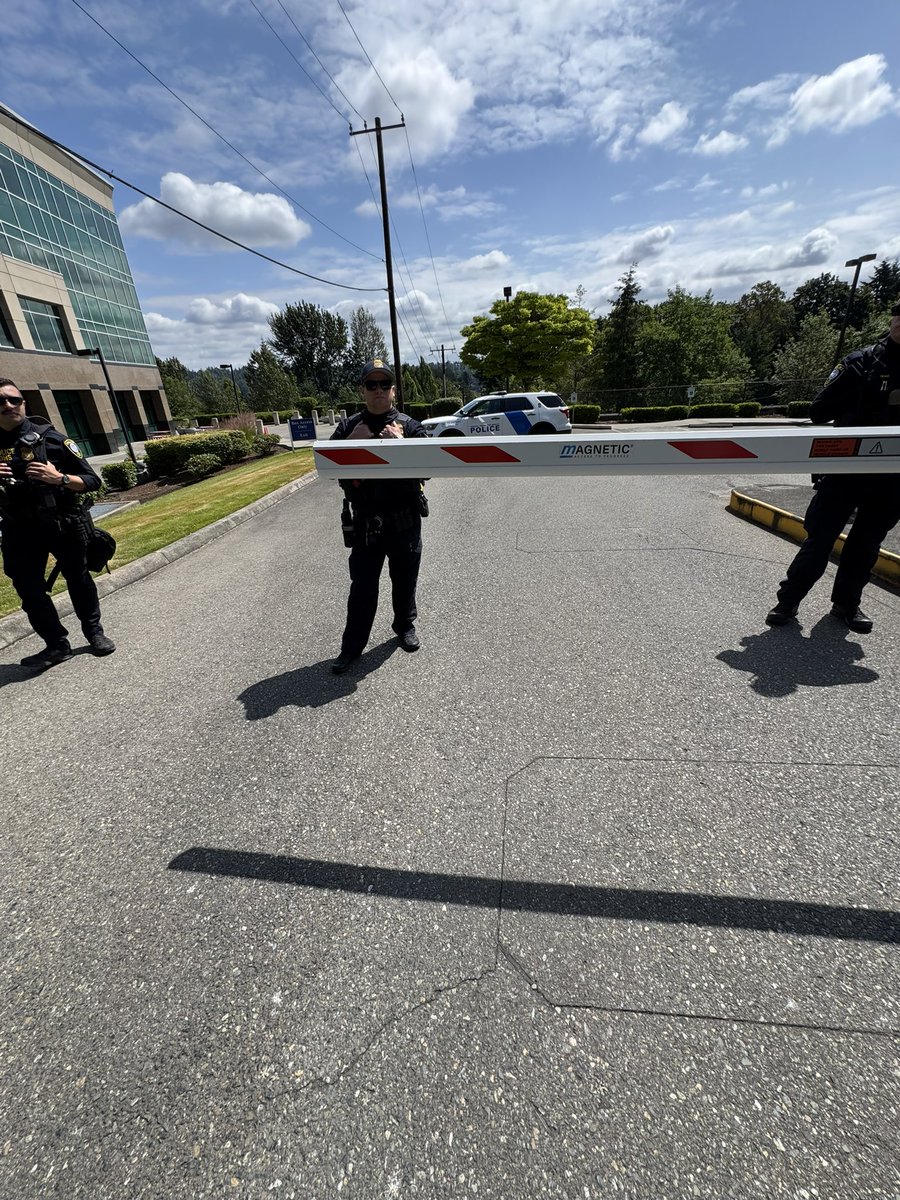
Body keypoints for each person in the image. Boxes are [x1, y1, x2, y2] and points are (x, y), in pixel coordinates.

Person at [766, 301, 900, 633]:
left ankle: (846, 605)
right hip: (846, 471)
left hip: (891, 478)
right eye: (899, 316)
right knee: (819, 540)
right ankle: (789, 601)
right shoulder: (861, 363)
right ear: (892, 319)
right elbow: (818, 411)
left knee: (866, 544)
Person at [0, 377, 115, 671]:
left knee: (78, 579)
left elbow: (92, 480)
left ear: (24, 403)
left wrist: (59, 478)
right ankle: (56, 645)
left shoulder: (51, 438)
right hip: (18, 529)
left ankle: (94, 633)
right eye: (0, 401)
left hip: (61, 523)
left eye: (14, 399)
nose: (8, 405)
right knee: (29, 590)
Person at [329, 359, 429, 674]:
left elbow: (430, 467)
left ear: (393, 390)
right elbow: (330, 470)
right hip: (366, 524)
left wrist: (402, 447)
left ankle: (404, 626)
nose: (378, 390)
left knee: (404, 581)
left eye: (384, 384)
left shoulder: (410, 426)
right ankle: (352, 648)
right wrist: (351, 444)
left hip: (404, 520)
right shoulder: (347, 428)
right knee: (362, 588)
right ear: (362, 390)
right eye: (371, 385)